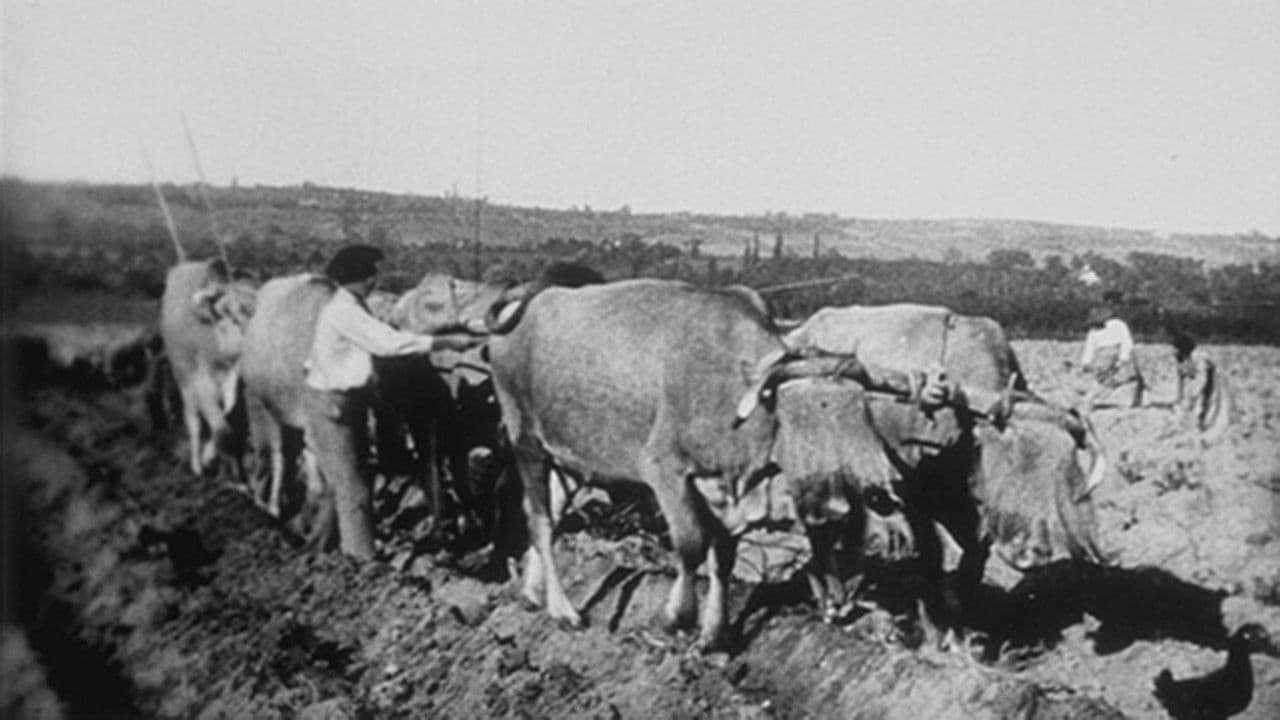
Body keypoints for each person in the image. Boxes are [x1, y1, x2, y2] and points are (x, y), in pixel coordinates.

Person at [303, 244, 482, 559]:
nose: (374, 280)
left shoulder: (352, 305)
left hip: (345, 404)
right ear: (354, 278)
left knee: (348, 485)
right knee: (353, 490)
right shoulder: (345, 311)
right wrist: (444, 341)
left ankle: (321, 552)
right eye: (369, 274)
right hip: (333, 406)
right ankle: (362, 563)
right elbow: (386, 344)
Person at [1080, 297, 1144, 409]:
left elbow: (1126, 342)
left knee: (1131, 379)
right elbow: (1089, 349)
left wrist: (1122, 359)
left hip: (1118, 353)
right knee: (1102, 379)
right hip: (1104, 357)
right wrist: (1086, 363)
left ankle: (1135, 400)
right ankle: (1091, 399)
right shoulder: (1093, 332)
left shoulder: (1118, 325)